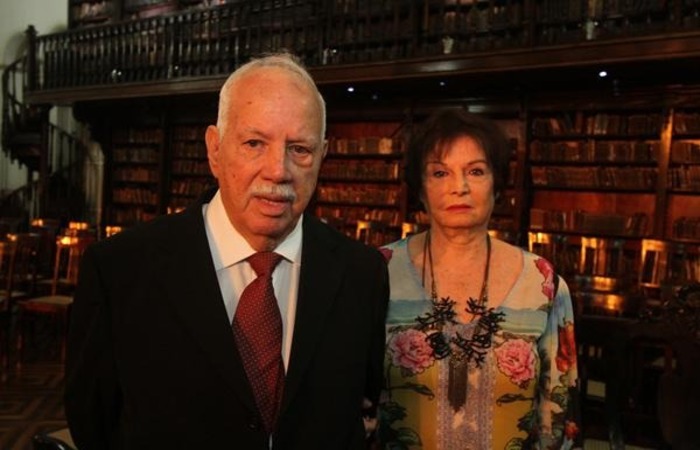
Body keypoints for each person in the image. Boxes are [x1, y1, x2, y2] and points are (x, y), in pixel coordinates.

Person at [64, 53, 389, 449]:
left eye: (299, 149)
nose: (278, 170)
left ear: (322, 156)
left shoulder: (363, 273)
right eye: (254, 143)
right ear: (214, 150)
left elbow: (360, 409)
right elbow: (93, 423)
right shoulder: (120, 270)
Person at [376, 109, 581, 449]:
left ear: (497, 185)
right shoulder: (377, 272)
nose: (460, 187)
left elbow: (558, 416)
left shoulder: (542, 283)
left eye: (476, 171)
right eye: (440, 173)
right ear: (420, 189)